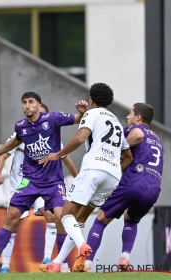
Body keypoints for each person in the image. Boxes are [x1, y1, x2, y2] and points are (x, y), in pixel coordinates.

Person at [0, 91, 88, 273]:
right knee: (11, 218)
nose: (27, 105)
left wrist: (83, 112)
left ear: (38, 105)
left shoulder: (53, 119)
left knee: (60, 218)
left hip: (53, 182)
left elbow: (78, 119)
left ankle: (63, 265)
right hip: (29, 181)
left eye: (31, 102)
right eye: (24, 102)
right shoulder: (20, 126)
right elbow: (12, 144)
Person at [39, 83, 133, 272]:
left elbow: (81, 138)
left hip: (93, 169)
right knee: (80, 219)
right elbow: (129, 157)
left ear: (92, 99)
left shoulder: (92, 113)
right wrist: (113, 169)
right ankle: (57, 262)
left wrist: (58, 154)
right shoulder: (115, 120)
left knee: (66, 215)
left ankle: (83, 245)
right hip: (113, 176)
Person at [82, 103, 163, 272]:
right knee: (131, 218)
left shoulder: (136, 129)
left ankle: (86, 264)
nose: (127, 117)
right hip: (153, 189)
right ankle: (125, 257)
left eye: (130, 113)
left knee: (101, 218)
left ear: (138, 117)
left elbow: (138, 135)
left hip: (133, 182)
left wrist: (118, 151)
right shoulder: (158, 140)